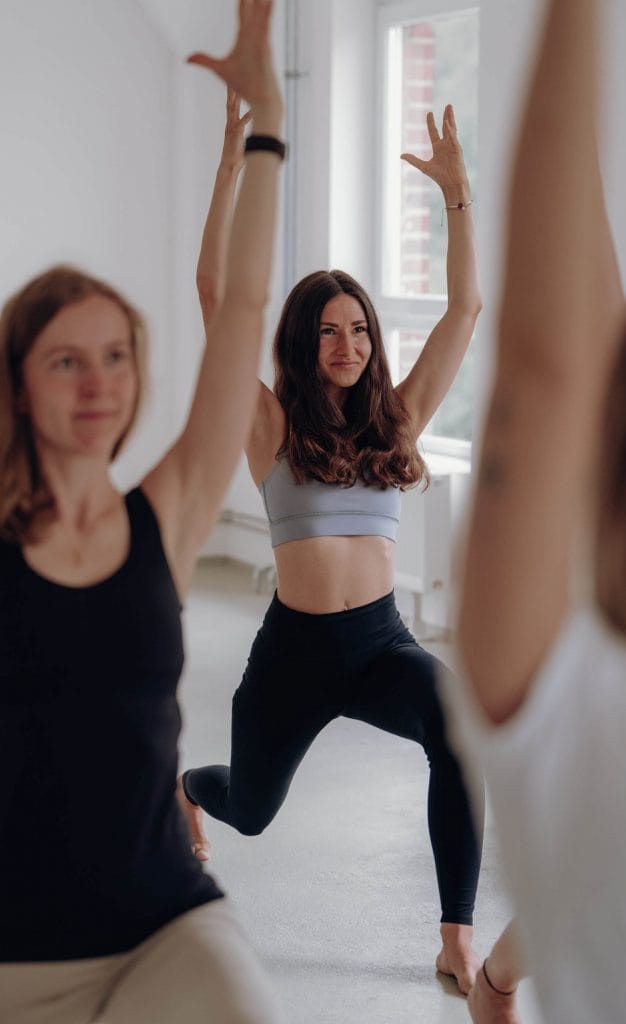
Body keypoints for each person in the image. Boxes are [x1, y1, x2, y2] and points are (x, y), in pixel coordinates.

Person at [0, 2, 286, 1022]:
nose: (97, 382)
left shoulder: (160, 518)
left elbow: (243, 309)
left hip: (163, 924)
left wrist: (266, 125)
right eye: (65, 360)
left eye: (115, 356)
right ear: (20, 383)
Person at [179, 100, 484, 990]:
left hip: (382, 645)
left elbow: (465, 306)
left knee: (456, 732)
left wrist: (457, 198)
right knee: (251, 809)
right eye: (328, 329)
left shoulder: (400, 422)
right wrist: (231, 171)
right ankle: (193, 789)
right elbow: (216, 295)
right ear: (303, 342)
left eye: (359, 329)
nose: (346, 344)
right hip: (294, 656)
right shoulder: (269, 426)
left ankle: (456, 936)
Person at [446, 0, 626, 1019]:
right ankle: (495, 981)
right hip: (584, 616)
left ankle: (496, 980)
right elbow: (539, 363)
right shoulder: (590, 711)